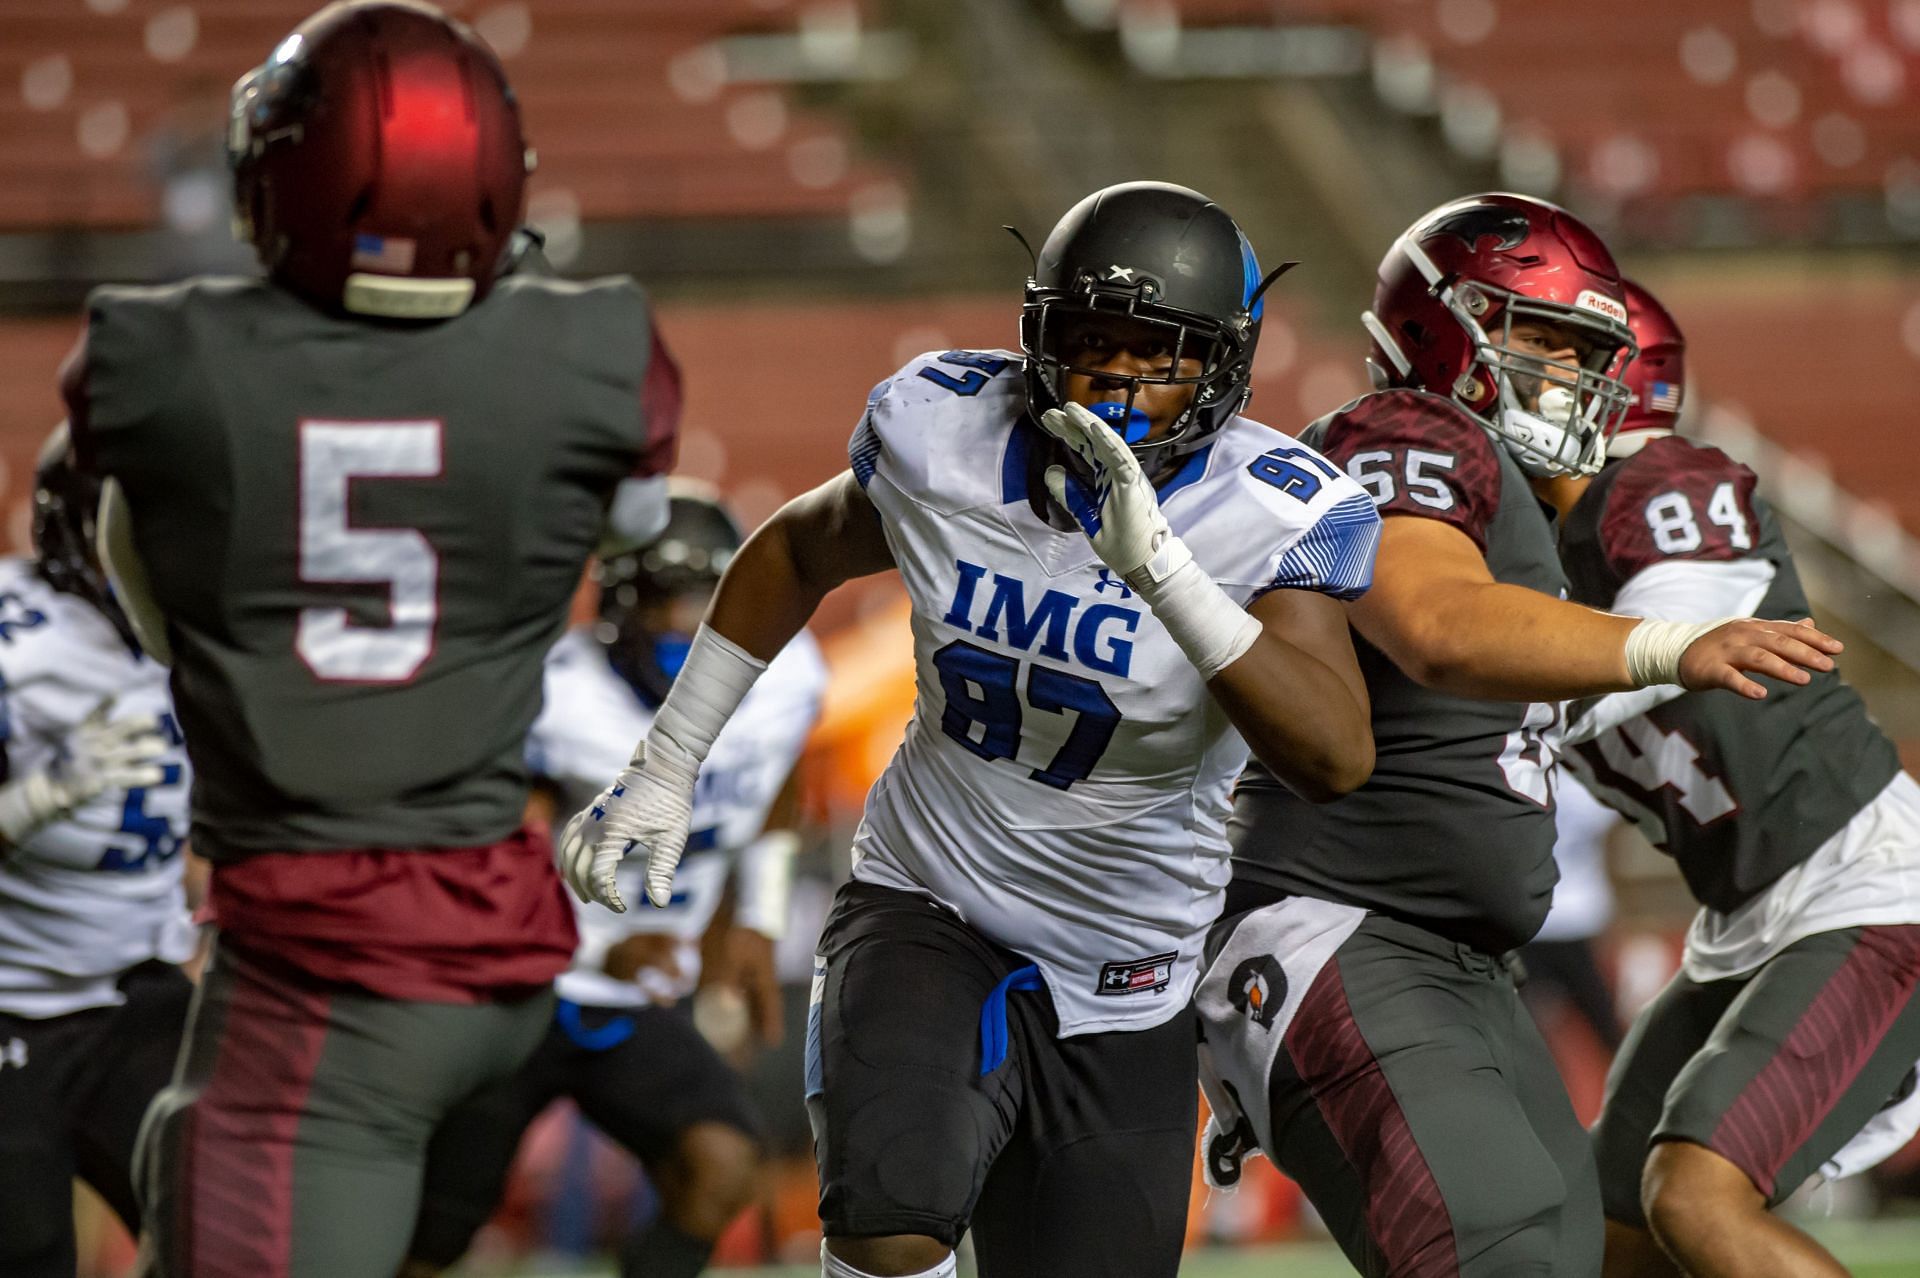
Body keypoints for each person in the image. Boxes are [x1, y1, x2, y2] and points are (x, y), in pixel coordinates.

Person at [561, 180, 1383, 1278]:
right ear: (1038, 333)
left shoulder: (1272, 510)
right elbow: (794, 551)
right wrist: (669, 761)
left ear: (1224, 365)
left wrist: (1165, 574)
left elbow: (1334, 755)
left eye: (1159, 349)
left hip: (1130, 958)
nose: (1116, 374)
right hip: (929, 897)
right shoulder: (945, 432)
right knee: (890, 1220)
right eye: (1090, 338)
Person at [62, 4, 679, 1274]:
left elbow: (138, 554)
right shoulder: (594, 348)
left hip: (323, 966)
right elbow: (632, 518)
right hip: (499, 924)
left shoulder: (168, 359)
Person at [1194, 193, 1843, 1278]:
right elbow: (1437, 627)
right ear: (1444, 327)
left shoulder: (1504, 485)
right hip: (1349, 934)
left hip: (1450, 959)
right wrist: (1668, 643)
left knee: (1573, 1252)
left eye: (1582, 348)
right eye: (1538, 336)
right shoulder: (1407, 429)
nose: (1566, 371)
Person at [1555, 279, 1920, 1278]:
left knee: (1698, 1196)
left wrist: (1502, 686)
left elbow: (1675, 612)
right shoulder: (1508, 559)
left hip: (1867, 890)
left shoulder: (1664, 484)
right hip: (1741, 925)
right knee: (1612, 1235)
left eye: (1559, 360)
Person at [406, 487, 827, 1278]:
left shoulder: (784, 681)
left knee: (721, 1165)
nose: (684, 625)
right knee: (434, 1233)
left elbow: (779, 780)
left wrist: (758, 918)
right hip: (520, 991)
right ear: (617, 604)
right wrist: (592, 948)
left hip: (641, 996)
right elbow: (487, 856)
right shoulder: (561, 697)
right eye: (664, 600)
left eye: (706, 600)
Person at [0, 429, 193, 1278]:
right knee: (29, 1251)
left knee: (225, 1230)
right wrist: (28, 803)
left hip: (137, 990)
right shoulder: (17, 644)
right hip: (14, 1004)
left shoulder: (210, 635)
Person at [1521, 770, 1624, 1053]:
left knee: (1528, 1030)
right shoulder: (1586, 788)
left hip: (1530, 918)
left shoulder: (1520, 781)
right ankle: (1637, 1092)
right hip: (1580, 914)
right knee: (1605, 1023)